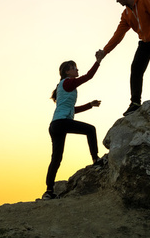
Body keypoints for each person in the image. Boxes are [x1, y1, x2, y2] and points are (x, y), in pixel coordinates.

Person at [43, 50, 105, 200]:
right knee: (91, 130)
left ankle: (48, 191)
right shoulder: (68, 82)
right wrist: (98, 61)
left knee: (56, 158)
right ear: (67, 71)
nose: (77, 70)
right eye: (74, 68)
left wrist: (90, 105)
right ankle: (96, 160)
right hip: (62, 123)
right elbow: (89, 77)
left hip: (55, 125)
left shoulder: (63, 86)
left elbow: (72, 109)